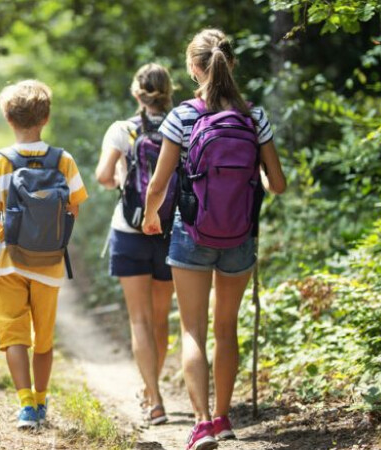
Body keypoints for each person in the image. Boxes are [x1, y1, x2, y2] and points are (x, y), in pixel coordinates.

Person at [142, 29, 286, 450]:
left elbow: (158, 184)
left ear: (193, 67)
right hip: (239, 235)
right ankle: (223, 418)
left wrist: (150, 217)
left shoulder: (183, 116)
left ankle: (201, 423)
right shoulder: (254, 117)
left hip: (191, 231)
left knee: (192, 329)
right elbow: (278, 183)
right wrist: (251, 182)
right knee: (227, 328)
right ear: (231, 63)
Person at [0, 80, 89, 430]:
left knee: (14, 334)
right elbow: (74, 209)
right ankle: (42, 400)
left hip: (7, 262)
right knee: (43, 339)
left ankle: (26, 405)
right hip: (50, 263)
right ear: (46, 118)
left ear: (8, 118)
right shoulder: (64, 160)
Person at [94, 63, 176, 426]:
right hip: (169, 231)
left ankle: (153, 399)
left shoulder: (122, 130)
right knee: (160, 318)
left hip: (129, 230)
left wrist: (121, 182)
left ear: (136, 93)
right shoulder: (182, 125)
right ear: (169, 91)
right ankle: (150, 388)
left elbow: (103, 176)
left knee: (139, 320)